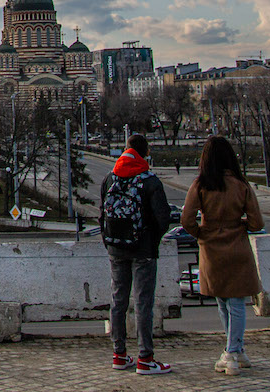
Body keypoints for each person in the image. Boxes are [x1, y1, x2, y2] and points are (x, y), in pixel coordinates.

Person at [182, 136, 265, 377]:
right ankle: (236, 351)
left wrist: (202, 232)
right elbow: (257, 223)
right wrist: (239, 226)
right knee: (237, 302)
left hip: (211, 248)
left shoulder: (201, 185)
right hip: (237, 246)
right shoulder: (241, 184)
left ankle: (232, 352)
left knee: (221, 301)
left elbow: (186, 220)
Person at [100, 133, 173, 375]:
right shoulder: (150, 181)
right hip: (143, 250)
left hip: (116, 248)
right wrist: (152, 241)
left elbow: (101, 216)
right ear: (146, 153)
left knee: (118, 301)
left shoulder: (110, 178)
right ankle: (145, 359)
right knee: (143, 303)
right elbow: (163, 218)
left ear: (126, 150)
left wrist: (110, 242)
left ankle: (119, 355)